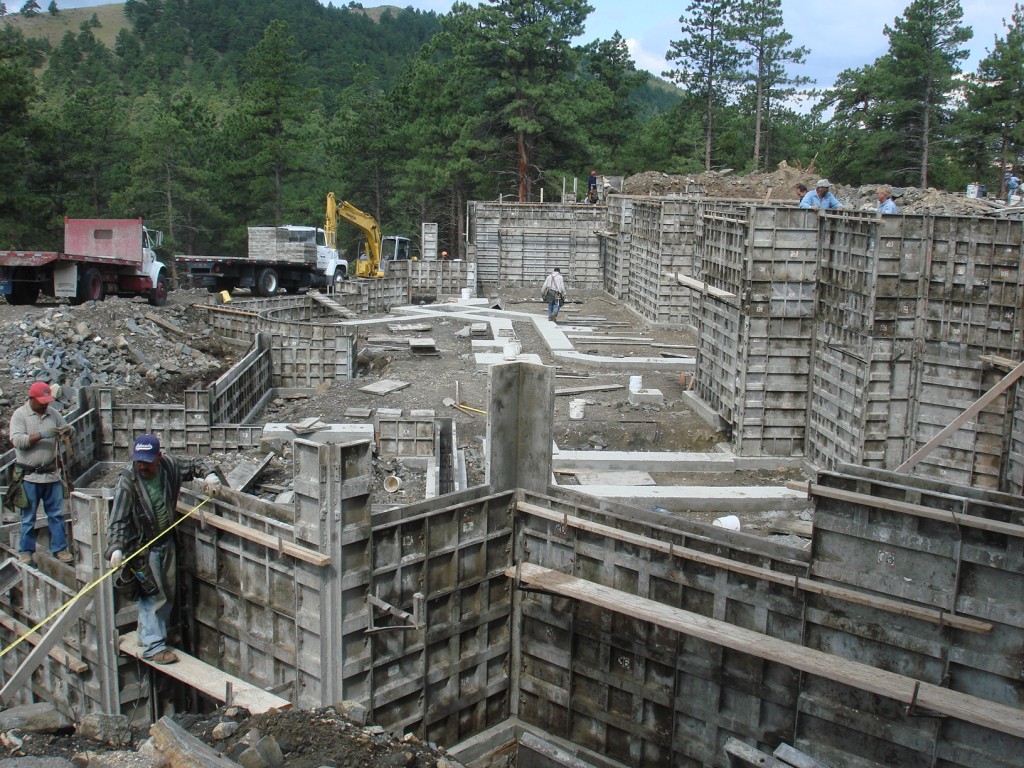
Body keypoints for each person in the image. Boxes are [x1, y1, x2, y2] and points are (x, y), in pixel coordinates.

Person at [106, 434, 221, 665]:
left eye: (147, 461)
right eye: (139, 460)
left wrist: (209, 474)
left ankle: (147, 635)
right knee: (152, 595)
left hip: (166, 540)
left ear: (158, 456)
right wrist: (116, 548)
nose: (142, 466)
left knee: (166, 593)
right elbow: (117, 520)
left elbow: (195, 463)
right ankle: (153, 646)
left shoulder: (168, 466)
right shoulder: (128, 482)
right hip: (141, 549)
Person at [8, 382, 74, 566]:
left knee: (56, 514)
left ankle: (60, 548)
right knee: (28, 517)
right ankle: (26, 551)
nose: (45, 405)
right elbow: (18, 440)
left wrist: (69, 431)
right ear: (32, 399)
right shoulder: (20, 415)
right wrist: (41, 434)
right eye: (41, 401)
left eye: (47, 401)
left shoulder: (53, 414)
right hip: (30, 476)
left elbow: (67, 428)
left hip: (51, 475)